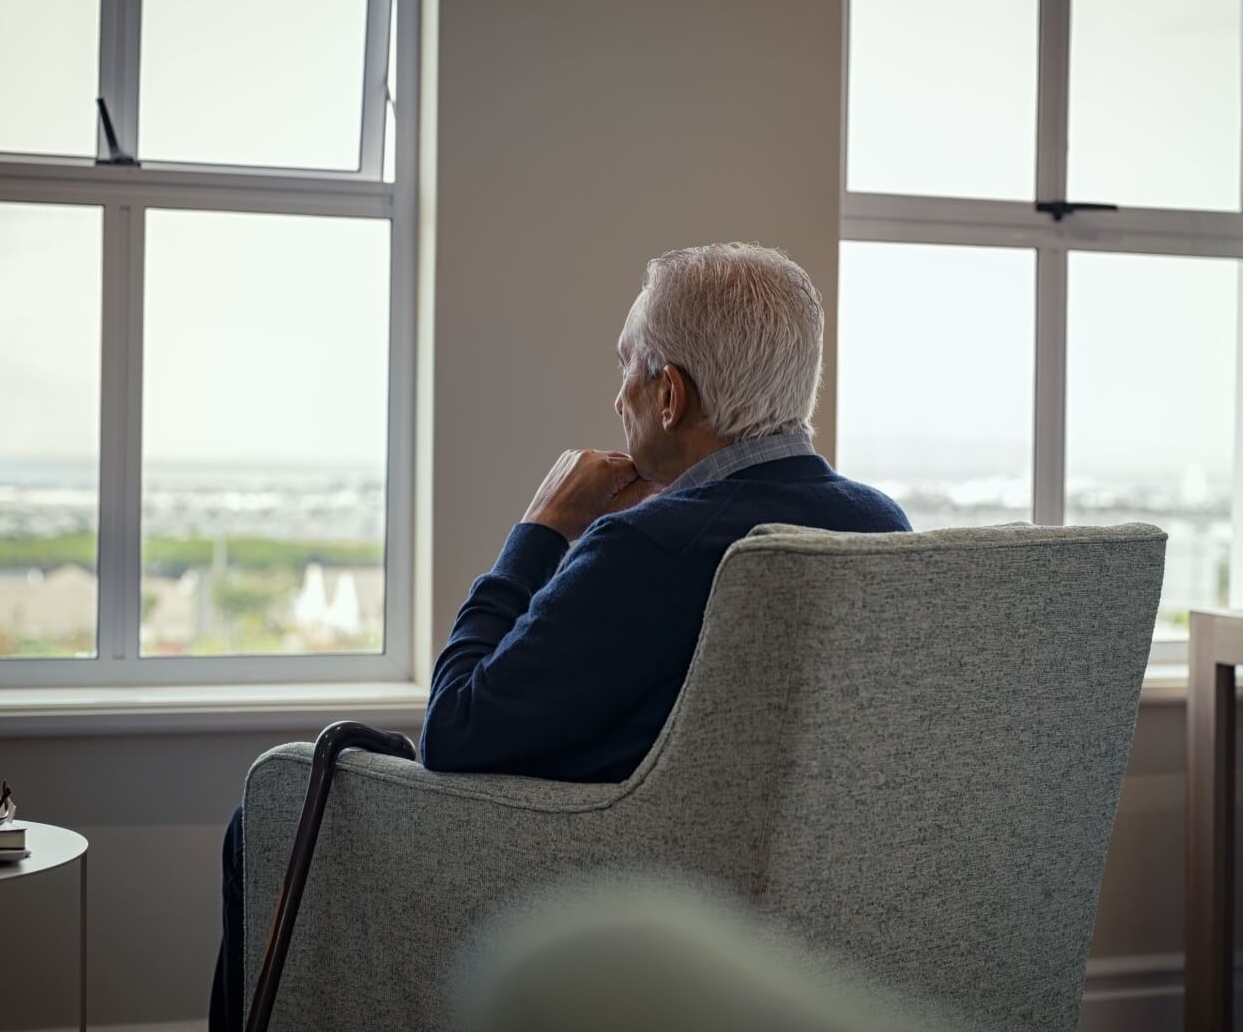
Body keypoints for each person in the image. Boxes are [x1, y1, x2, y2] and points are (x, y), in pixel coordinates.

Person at [210, 243, 909, 1031]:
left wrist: (540, 529)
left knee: (275, 801)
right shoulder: (883, 527)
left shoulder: (649, 546)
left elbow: (455, 733)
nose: (619, 397)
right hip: (788, 902)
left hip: (607, 879)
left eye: (627, 370)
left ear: (670, 395)